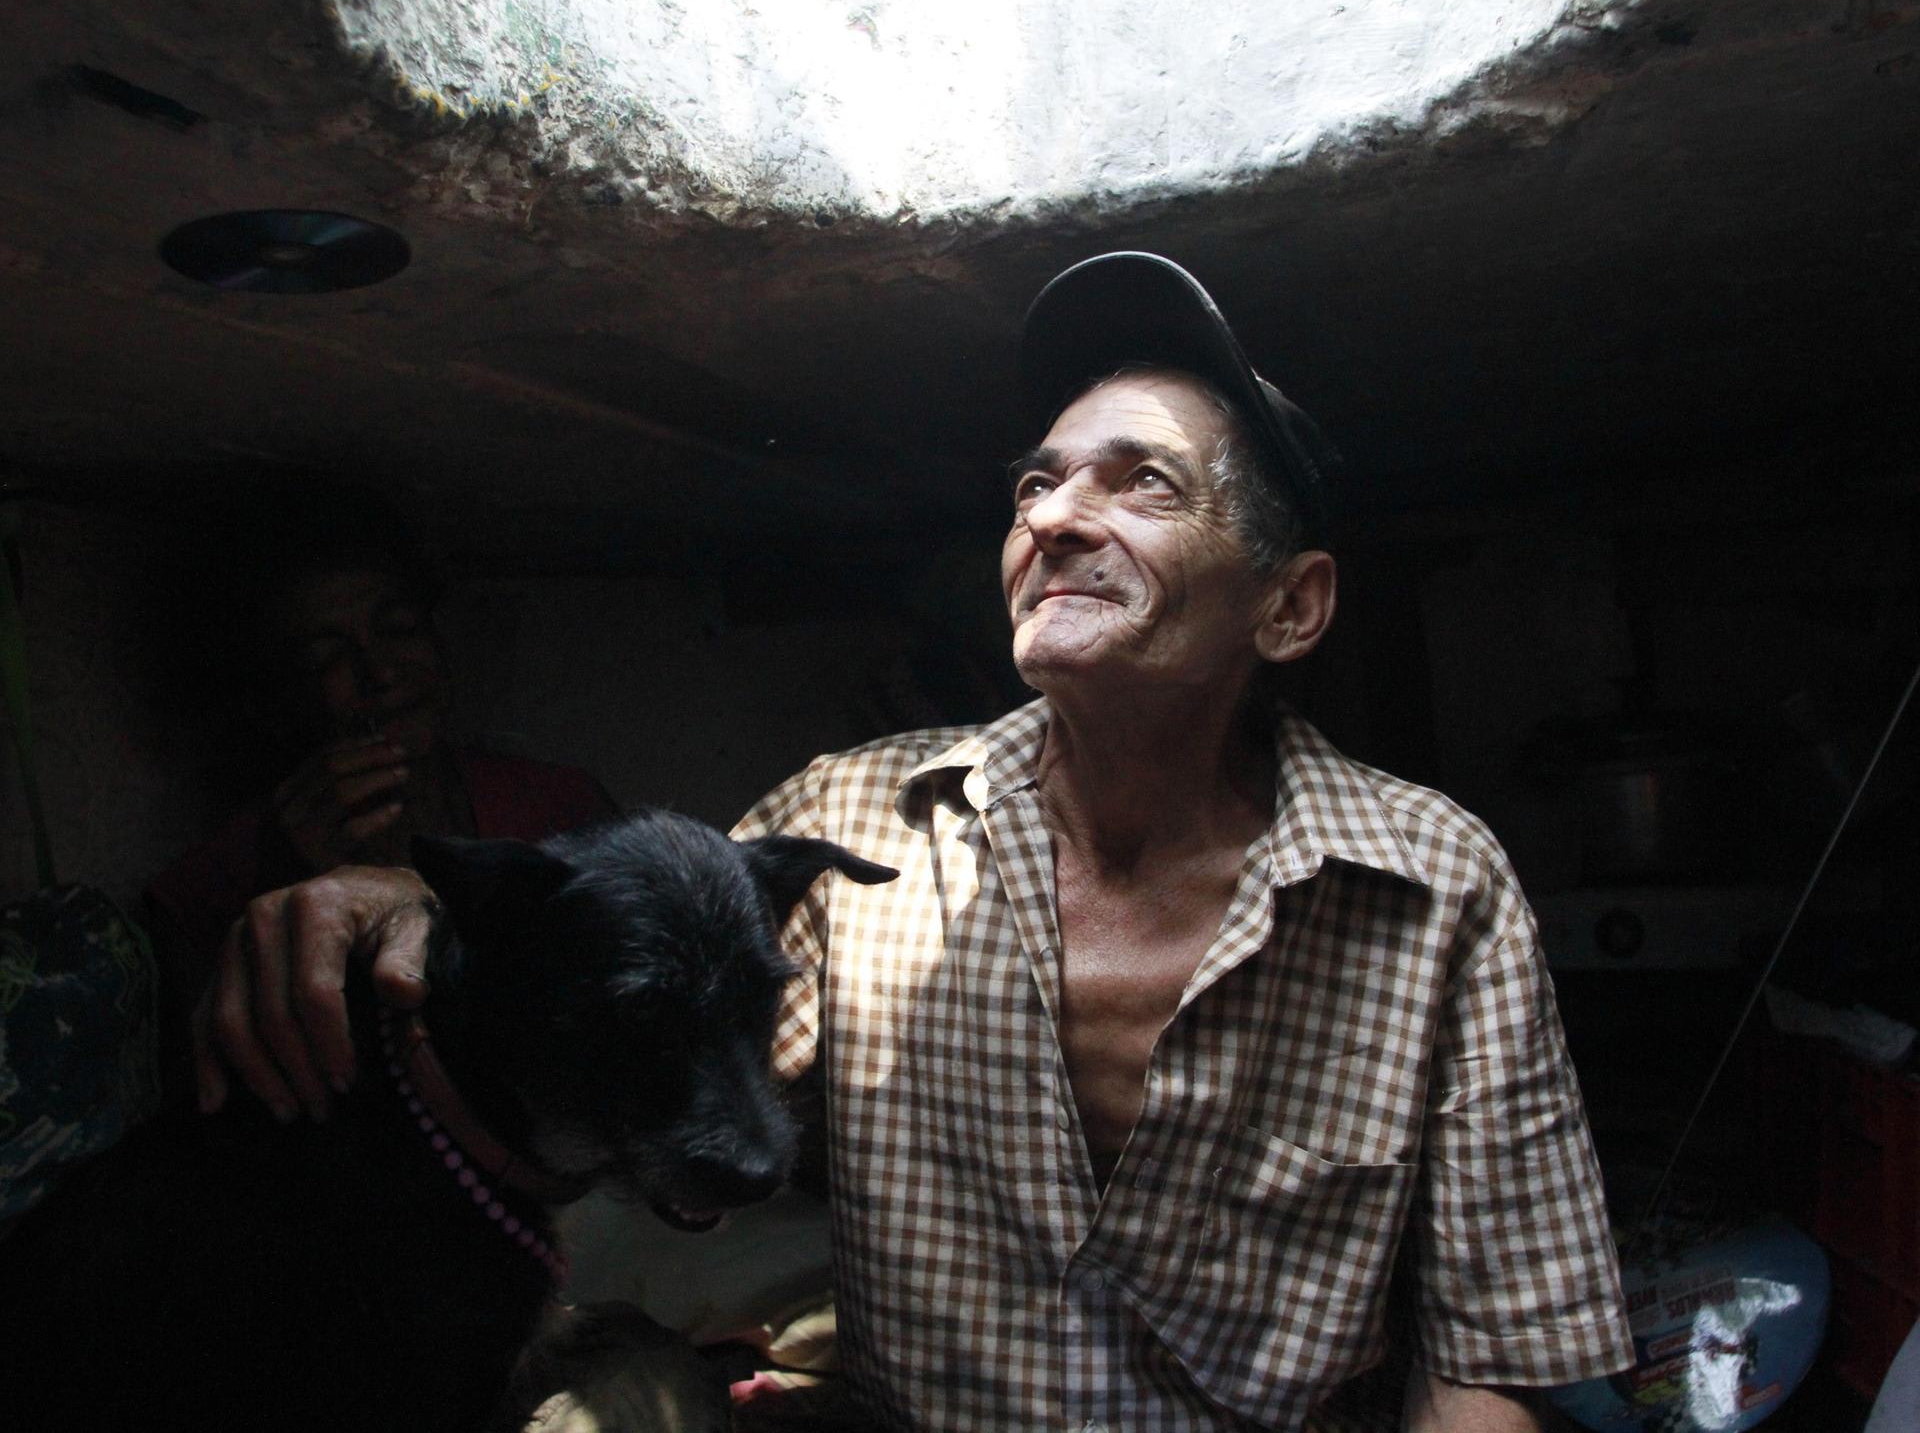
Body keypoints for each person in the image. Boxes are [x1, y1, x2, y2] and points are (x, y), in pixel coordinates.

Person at [198, 254, 1633, 1429]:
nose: (1054, 517)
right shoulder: (849, 817)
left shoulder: (1436, 883)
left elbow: (1491, 1346)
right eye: (1035, 483)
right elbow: (598, 952)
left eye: (1141, 483)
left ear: (1291, 607)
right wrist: (399, 892)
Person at [149, 491, 613, 1111]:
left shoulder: (555, 804)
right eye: (328, 658)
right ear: (274, 696)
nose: (381, 672)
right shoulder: (220, 879)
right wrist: (287, 876)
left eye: (398, 629)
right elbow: (217, 1091)